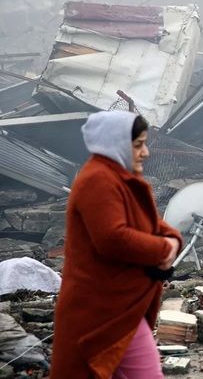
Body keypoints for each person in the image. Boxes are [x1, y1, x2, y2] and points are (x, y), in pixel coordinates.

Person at [50, 111, 183, 379]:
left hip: (119, 306)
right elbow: (113, 238)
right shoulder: (98, 181)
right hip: (104, 311)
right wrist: (163, 249)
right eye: (137, 145)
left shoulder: (117, 178)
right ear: (114, 143)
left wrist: (173, 240)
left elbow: (151, 224)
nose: (145, 152)